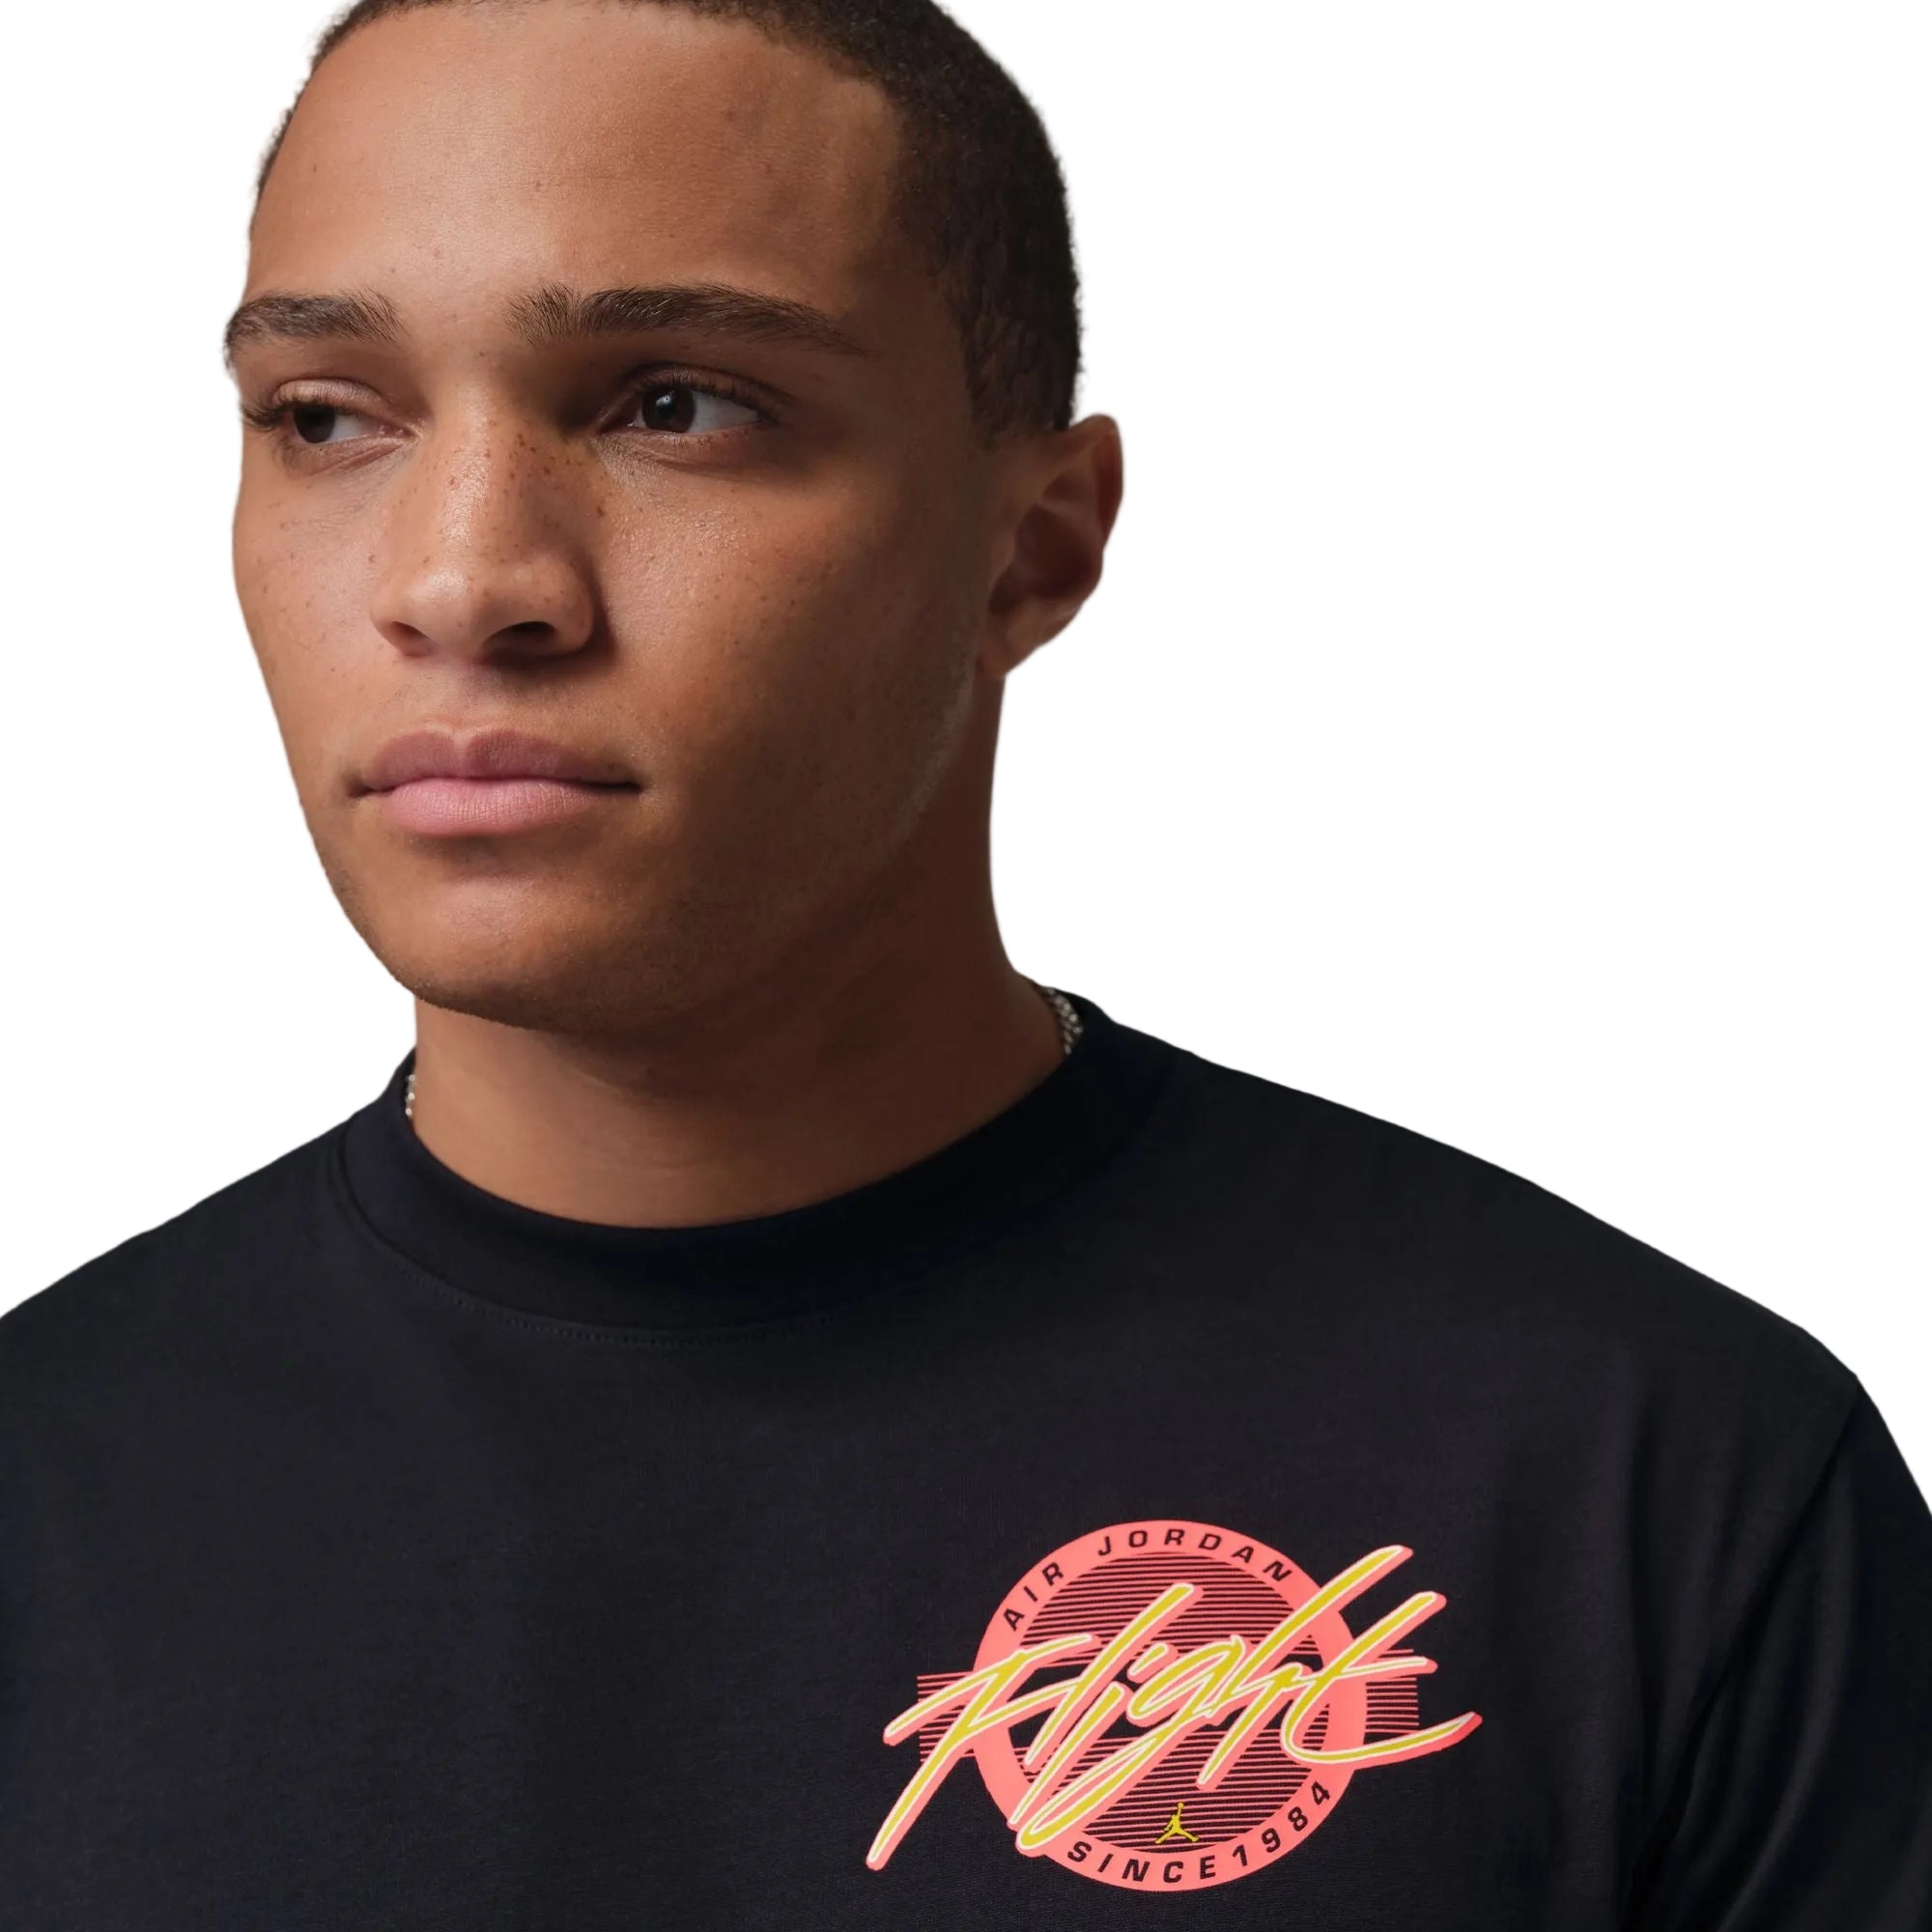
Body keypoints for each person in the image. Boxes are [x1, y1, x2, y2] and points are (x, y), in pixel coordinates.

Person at [2, 0, 1926, 1924]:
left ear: (1036, 548)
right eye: (325, 417)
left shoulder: (1648, 1488)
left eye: (676, 404)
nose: (461, 579)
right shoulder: (43, 1491)